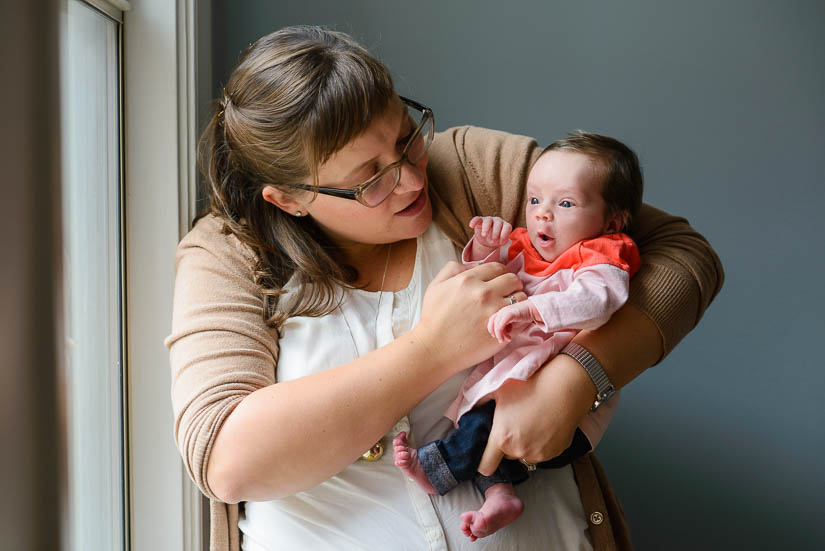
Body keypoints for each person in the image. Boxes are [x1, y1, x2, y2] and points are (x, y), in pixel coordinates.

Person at [166, 26, 724, 551]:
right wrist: (435, 348)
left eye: (407, 140)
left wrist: (578, 377)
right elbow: (226, 458)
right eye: (371, 179)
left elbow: (683, 255)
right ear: (288, 198)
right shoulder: (227, 256)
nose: (412, 179)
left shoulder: (469, 169)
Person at [393, 131, 643, 541]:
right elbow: (487, 279)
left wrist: (533, 308)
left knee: (482, 423)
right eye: (534, 200)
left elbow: (597, 302)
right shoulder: (529, 245)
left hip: (564, 411)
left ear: (612, 220)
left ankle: (437, 469)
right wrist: (486, 248)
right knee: (492, 427)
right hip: (517, 390)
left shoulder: (601, 254)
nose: (543, 214)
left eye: (565, 204)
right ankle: (499, 495)